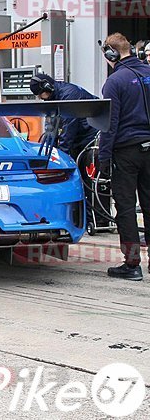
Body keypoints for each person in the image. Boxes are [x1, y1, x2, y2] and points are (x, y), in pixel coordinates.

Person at [98, 33, 150, 281]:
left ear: (111, 54)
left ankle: (132, 264)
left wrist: (103, 157)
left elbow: (110, 123)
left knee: (126, 207)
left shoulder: (114, 81)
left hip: (127, 152)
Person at [29, 73, 98, 157]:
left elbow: (69, 127)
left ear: (47, 87)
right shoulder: (53, 97)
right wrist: (49, 150)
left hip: (88, 135)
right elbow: (51, 126)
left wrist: (61, 155)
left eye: (40, 94)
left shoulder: (69, 96)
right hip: (79, 136)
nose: (40, 98)